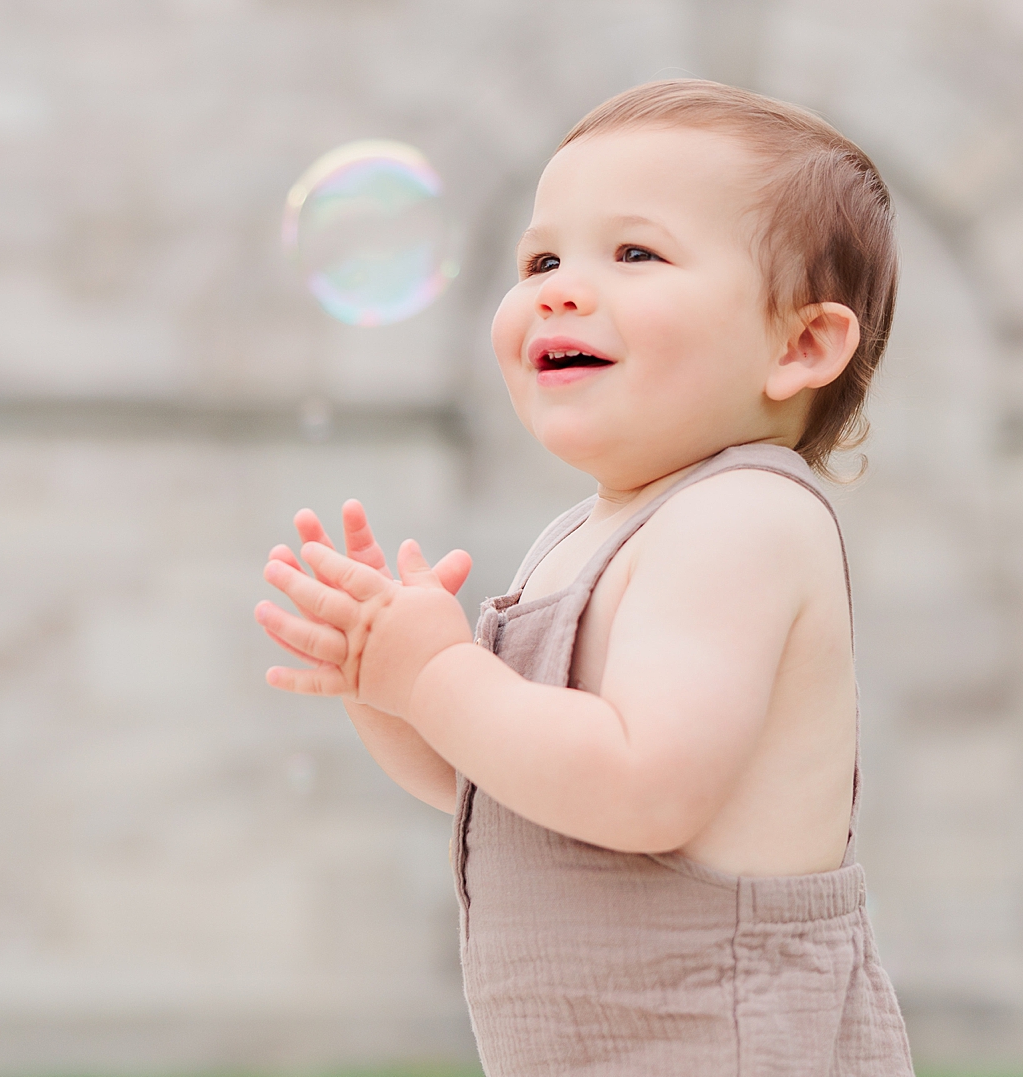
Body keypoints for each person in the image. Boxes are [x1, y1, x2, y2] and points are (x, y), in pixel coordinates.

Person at [254, 79, 915, 1075]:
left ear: (799, 343)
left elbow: (640, 790)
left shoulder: (745, 518)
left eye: (635, 252)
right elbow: (503, 783)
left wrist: (439, 674)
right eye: (540, 258)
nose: (558, 287)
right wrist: (387, 683)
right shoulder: (587, 531)